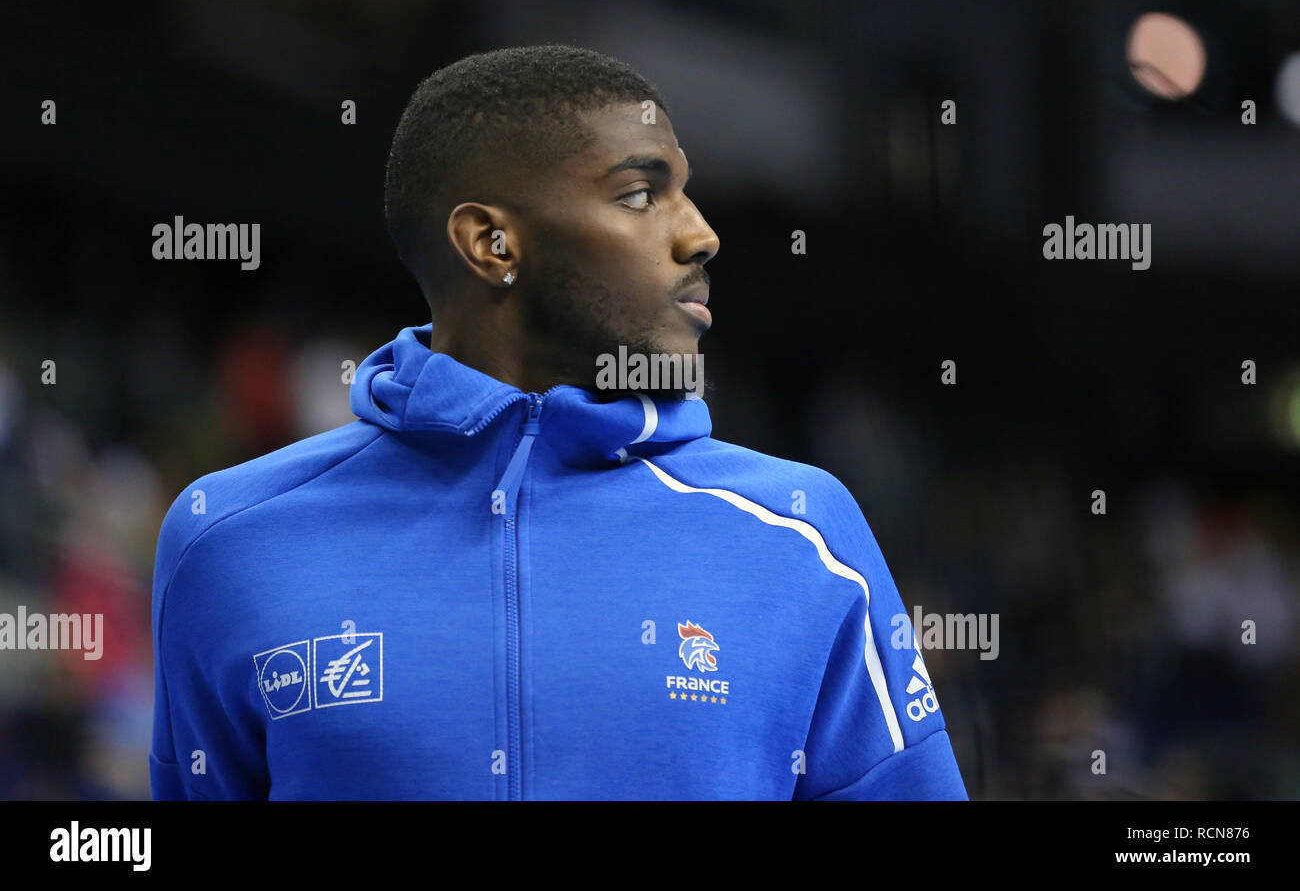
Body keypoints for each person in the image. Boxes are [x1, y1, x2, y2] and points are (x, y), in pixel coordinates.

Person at [149, 44, 967, 800]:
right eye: (642, 194)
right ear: (491, 242)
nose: (701, 235)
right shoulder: (229, 541)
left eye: (686, 192)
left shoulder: (803, 536)